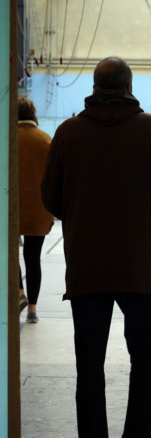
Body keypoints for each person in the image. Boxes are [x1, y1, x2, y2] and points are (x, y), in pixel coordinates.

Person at [41, 57, 151, 438]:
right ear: (129, 86)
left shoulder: (68, 132)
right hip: (140, 268)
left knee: (88, 363)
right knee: (144, 361)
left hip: (87, 267)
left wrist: (79, 225)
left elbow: (49, 196)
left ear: (93, 86)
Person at [18, 95, 54, 323]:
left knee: (9, 257)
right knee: (33, 259)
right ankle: (32, 309)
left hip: (10, 209)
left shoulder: (6, 138)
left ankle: (18, 293)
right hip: (39, 210)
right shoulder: (45, 140)